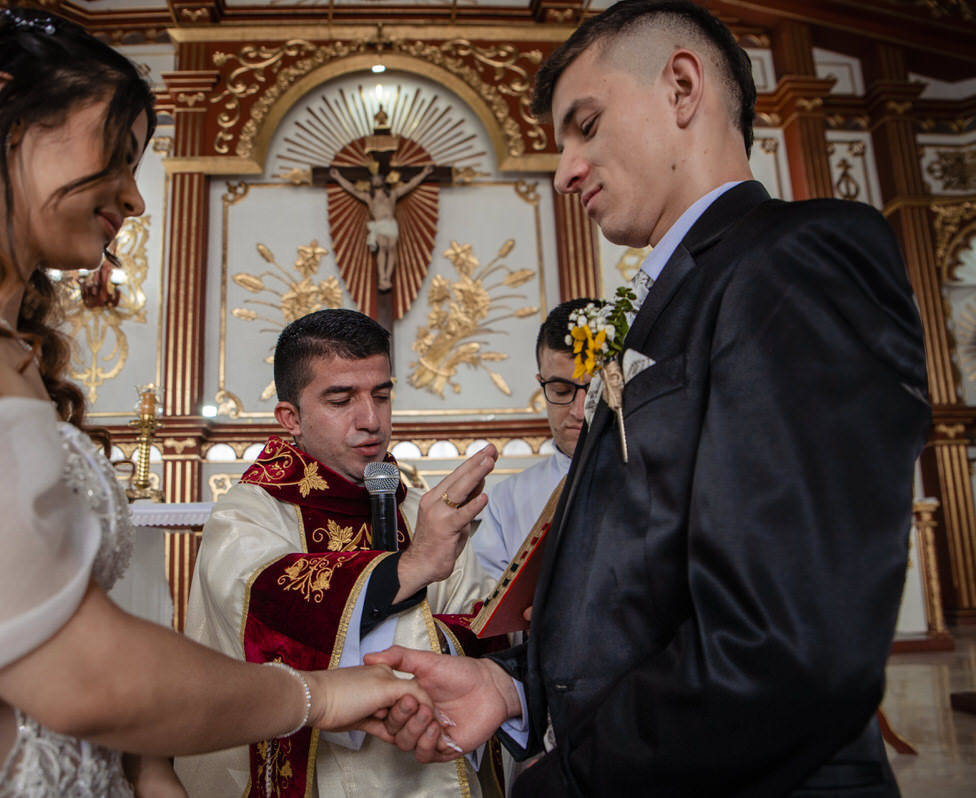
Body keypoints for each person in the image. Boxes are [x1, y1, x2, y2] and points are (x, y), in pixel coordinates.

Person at [0, 10, 431, 797]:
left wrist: (151, 775)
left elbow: (70, 619)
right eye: (117, 158)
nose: (135, 198)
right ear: (3, 110)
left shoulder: (11, 349)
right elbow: (74, 668)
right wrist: (319, 694)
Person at [365, 1, 931, 795]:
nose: (563, 170)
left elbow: (786, 646)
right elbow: (642, 587)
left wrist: (569, 781)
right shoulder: (681, 294)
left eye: (586, 125)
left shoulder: (795, 262)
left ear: (683, 86)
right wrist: (514, 689)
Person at [175, 308, 499, 797]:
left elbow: (477, 622)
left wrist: (439, 656)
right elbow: (268, 608)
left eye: (382, 395)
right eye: (341, 399)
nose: (371, 421)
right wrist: (408, 570)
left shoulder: (418, 509)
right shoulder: (250, 512)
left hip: (424, 755)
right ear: (291, 418)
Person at [473, 298, 595, 580]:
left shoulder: (658, 482)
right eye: (562, 391)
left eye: (595, 390)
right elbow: (484, 606)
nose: (579, 412)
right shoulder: (506, 502)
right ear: (541, 383)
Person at [329, 165, 433, 292]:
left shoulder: (392, 195)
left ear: (383, 181)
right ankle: (382, 277)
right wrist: (338, 177)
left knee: (391, 248)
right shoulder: (369, 197)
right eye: (374, 179)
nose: (376, 180)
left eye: (378, 178)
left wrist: (423, 173)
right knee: (383, 247)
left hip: (391, 224)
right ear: (371, 182)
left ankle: (387, 277)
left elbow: (409, 186)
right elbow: (352, 189)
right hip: (379, 224)